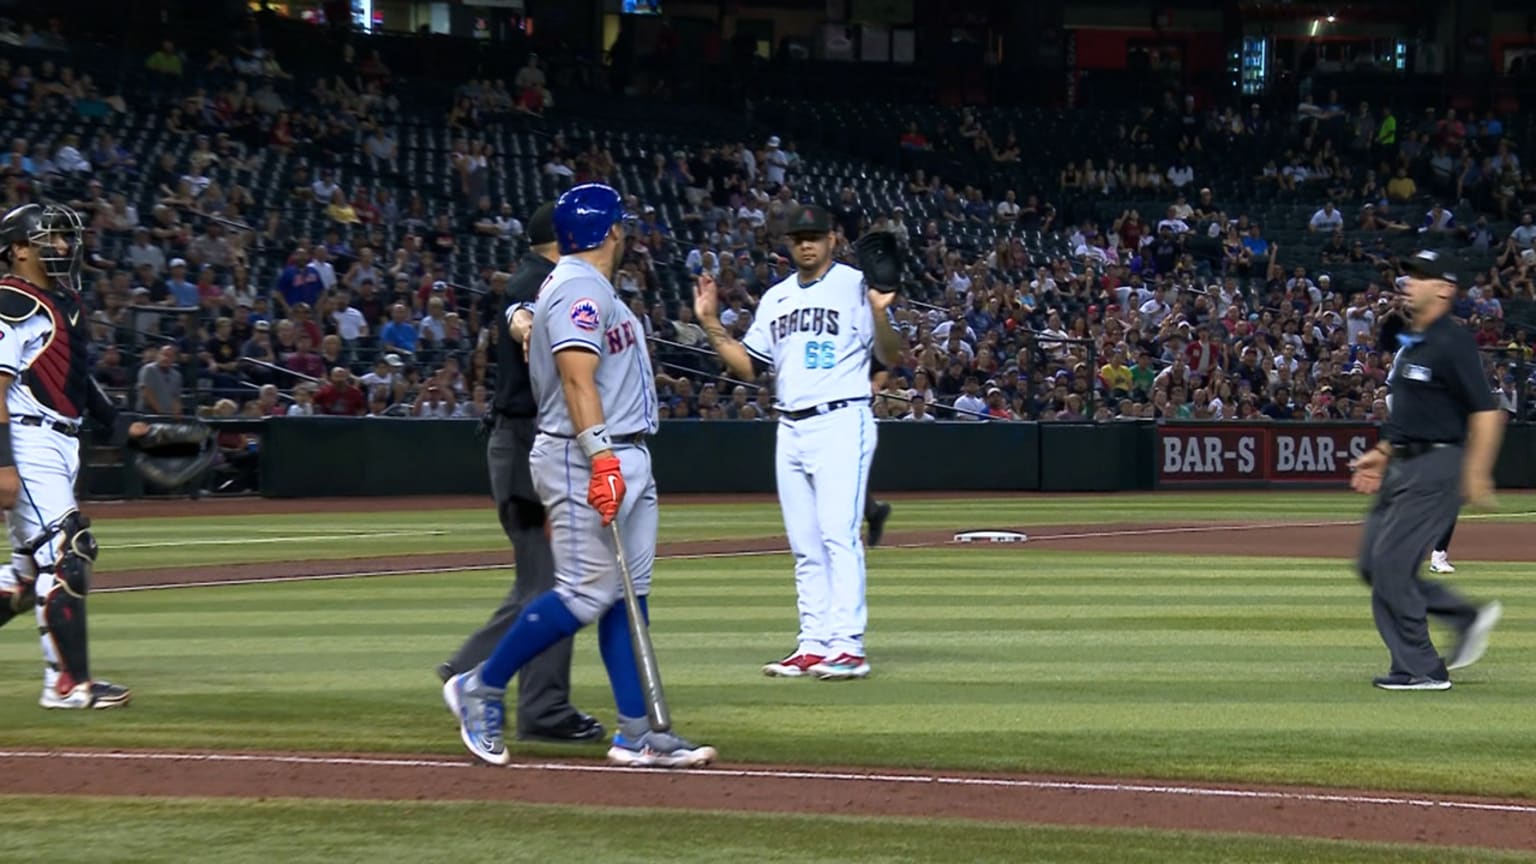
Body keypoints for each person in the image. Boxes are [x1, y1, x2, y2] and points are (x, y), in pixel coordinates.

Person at [445, 184, 715, 769]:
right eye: (622, 224)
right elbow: (575, 379)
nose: (626, 233)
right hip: (582, 452)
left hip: (623, 447)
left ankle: (638, 733)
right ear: (611, 231)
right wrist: (602, 458)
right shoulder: (576, 287)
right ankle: (480, 685)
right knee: (585, 591)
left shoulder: (586, 285)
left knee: (627, 598)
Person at [693, 205, 901, 680]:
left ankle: (848, 645)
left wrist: (879, 311)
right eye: (798, 237)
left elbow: (889, 355)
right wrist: (709, 321)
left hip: (841, 418)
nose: (807, 244)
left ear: (832, 239)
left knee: (838, 535)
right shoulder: (777, 298)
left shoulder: (856, 284)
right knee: (805, 544)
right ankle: (813, 643)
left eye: (815, 236)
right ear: (788, 244)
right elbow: (749, 366)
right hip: (789, 425)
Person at [435, 203, 604, 745]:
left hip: (523, 443)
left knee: (541, 579)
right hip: (527, 443)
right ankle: (539, 706)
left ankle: (472, 669)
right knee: (555, 583)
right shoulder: (536, 282)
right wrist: (528, 326)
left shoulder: (541, 279)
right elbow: (520, 315)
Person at [0, 203, 149, 709]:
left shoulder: (61, 301)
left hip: (60, 439)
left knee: (26, 579)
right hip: (26, 439)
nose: (63, 246)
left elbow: (75, 379)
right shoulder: (11, 301)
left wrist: (120, 425)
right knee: (68, 551)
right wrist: (2, 464)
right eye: (50, 238)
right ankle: (68, 686)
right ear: (18, 249)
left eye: (65, 237)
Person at [1348, 250, 1504, 691]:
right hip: (1404, 462)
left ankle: (1422, 668)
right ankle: (1461, 617)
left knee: (1392, 566)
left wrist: (1477, 472)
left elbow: (1486, 411)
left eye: (1420, 276)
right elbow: (1412, 412)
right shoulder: (1414, 341)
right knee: (1373, 564)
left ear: (1444, 289)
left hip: (1436, 464)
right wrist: (1383, 451)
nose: (1409, 283)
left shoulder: (1453, 341)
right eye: (1409, 275)